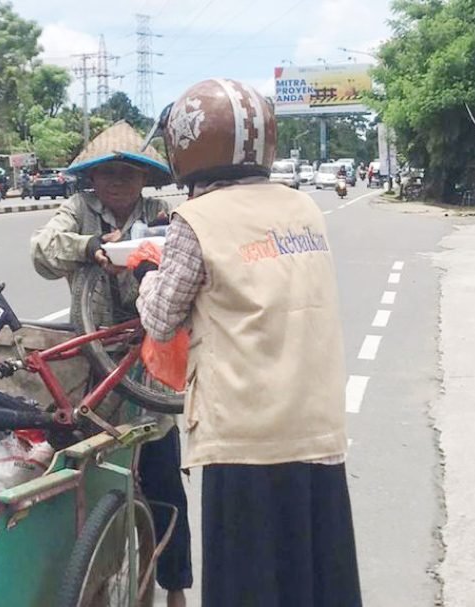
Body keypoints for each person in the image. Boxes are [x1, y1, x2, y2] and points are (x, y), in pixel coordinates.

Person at [135, 78, 361, 607]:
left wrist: (148, 274)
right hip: (315, 425)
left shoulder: (196, 221)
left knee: (248, 582)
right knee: (313, 573)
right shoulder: (304, 209)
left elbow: (162, 317)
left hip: (245, 432)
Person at [30, 120, 193, 607]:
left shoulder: (163, 213)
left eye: (129, 172)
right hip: (93, 368)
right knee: (93, 485)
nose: (118, 180)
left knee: (164, 479)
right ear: (93, 178)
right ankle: (96, 588)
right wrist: (89, 247)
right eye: (108, 172)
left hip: (151, 367)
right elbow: (40, 252)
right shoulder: (77, 210)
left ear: (145, 178)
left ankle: (176, 588)